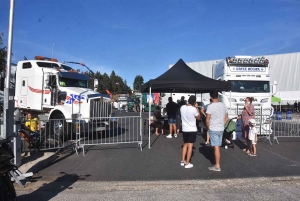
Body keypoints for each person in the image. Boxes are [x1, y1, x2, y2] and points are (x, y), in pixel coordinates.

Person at [206, 90, 228, 172]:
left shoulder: (210, 106)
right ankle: (217, 163)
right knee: (217, 146)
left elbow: (207, 120)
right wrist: (222, 124)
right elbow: (226, 118)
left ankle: (217, 165)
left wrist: (208, 127)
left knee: (216, 147)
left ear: (210, 97)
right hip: (220, 128)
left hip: (213, 128)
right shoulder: (223, 105)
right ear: (218, 96)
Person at [180, 95, 201, 168]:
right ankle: (187, 163)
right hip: (192, 129)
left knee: (185, 144)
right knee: (190, 146)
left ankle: (182, 160)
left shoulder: (182, 107)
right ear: (194, 102)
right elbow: (198, 118)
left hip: (184, 129)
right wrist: (197, 107)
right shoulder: (193, 109)